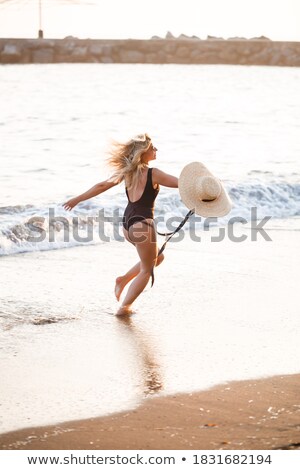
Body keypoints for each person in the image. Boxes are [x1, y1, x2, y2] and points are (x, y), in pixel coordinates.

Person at [62, 133, 178, 316]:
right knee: (147, 270)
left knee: (158, 258)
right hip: (143, 225)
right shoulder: (154, 173)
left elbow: (101, 186)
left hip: (127, 225)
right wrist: (208, 187)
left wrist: (77, 199)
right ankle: (123, 309)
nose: (156, 150)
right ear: (143, 152)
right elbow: (181, 184)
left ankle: (122, 280)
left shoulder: (127, 173)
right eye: (152, 147)